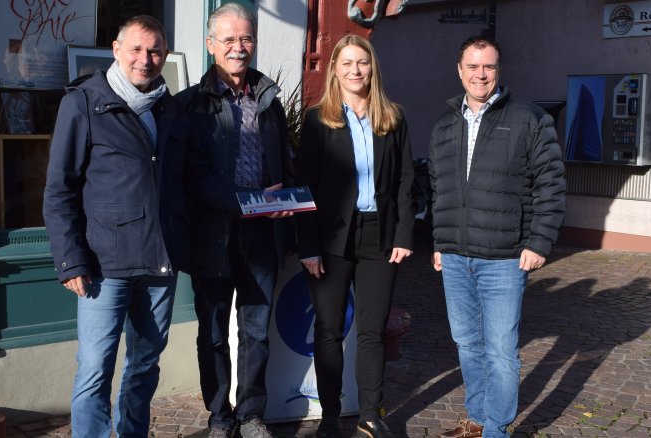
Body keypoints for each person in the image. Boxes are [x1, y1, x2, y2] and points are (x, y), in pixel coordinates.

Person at [42, 15, 191, 438]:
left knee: (145, 365)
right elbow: (59, 190)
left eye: (156, 50)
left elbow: (184, 183)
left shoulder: (171, 108)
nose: (146, 59)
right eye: (137, 49)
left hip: (160, 262)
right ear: (116, 49)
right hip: (103, 265)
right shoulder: (85, 102)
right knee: (94, 369)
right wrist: (70, 260)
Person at [429, 37, 566, 438]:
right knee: (467, 345)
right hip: (455, 256)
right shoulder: (444, 126)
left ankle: (496, 430)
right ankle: (475, 419)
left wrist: (539, 242)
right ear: (460, 70)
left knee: (501, 351)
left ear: (499, 71)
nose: (480, 74)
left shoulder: (528, 120)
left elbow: (551, 184)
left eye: (488, 67)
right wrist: (439, 243)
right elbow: (440, 190)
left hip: (505, 257)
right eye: (472, 66)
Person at [175, 3, 293, 438]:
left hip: (263, 233)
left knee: (257, 330)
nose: (238, 48)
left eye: (245, 39)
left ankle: (250, 414)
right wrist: (245, 201)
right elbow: (192, 177)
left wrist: (289, 202)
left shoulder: (270, 100)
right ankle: (219, 415)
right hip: (213, 234)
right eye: (228, 40)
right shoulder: (191, 105)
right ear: (210, 45)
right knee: (212, 332)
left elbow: (283, 163)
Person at [296, 34, 414, 438]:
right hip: (331, 238)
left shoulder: (392, 117)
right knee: (328, 329)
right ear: (335, 70)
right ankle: (330, 416)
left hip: (379, 236)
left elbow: (404, 181)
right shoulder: (318, 119)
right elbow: (305, 186)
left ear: (372, 67)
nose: (355, 71)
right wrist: (308, 246)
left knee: (372, 328)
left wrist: (404, 234)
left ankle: (369, 413)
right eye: (346, 63)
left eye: (362, 62)